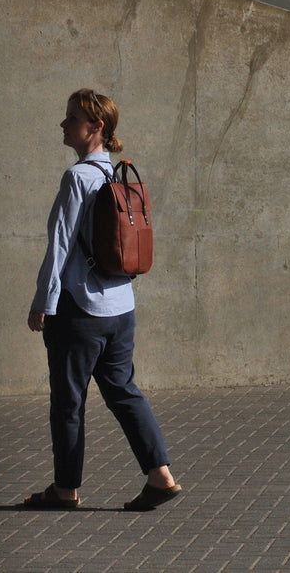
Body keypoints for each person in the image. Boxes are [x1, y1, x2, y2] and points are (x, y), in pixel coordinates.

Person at [21, 88, 181, 511]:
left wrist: (43, 301)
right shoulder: (117, 176)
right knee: (124, 391)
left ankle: (64, 489)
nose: (64, 123)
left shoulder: (78, 178)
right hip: (121, 309)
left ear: (96, 128)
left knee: (68, 402)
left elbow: (59, 244)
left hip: (80, 311)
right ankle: (160, 474)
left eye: (72, 118)